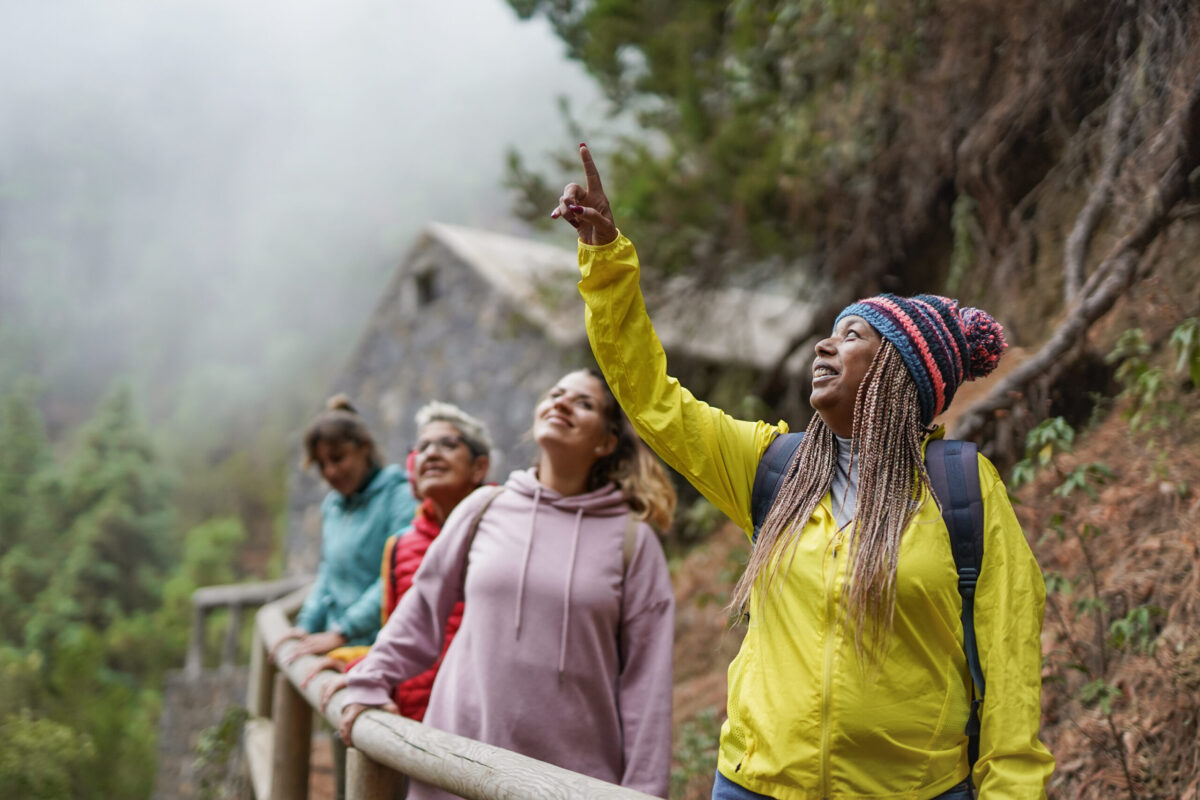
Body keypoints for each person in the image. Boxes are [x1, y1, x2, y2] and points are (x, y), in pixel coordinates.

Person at [551, 145, 1054, 800]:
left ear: (900, 375)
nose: (825, 344)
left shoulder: (962, 491)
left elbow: (1010, 663)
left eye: (853, 337)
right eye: (830, 332)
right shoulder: (773, 468)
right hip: (756, 785)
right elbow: (651, 399)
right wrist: (607, 257)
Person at [336, 369, 678, 800]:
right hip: (456, 765)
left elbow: (646, 681)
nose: (562, 403)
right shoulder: (483, 508)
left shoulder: (633, 541)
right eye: (555, 393)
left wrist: (645, 791)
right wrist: (368, 680)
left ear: (606, 442)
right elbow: (419, 615)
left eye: (584, 403)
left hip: (569, 782)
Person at [309, 401, 493, 723]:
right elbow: (404, 637)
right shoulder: (402, 546)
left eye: (448, 444)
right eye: (422, 447)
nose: (432, 453)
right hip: (412, 725)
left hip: (482, 728)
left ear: (479, 467)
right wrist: (358, 666)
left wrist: (344, 635)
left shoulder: (506, 534)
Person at [272, 395, 417, 664]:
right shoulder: (334, 506)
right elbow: (329, 574)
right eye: (321, 465)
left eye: (338, 459)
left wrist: (343, 632)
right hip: (337, 647)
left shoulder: (400, 497)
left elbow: (397, 576)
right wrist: (305, 626)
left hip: (381, 651)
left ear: (364, 448)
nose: (330, 472)